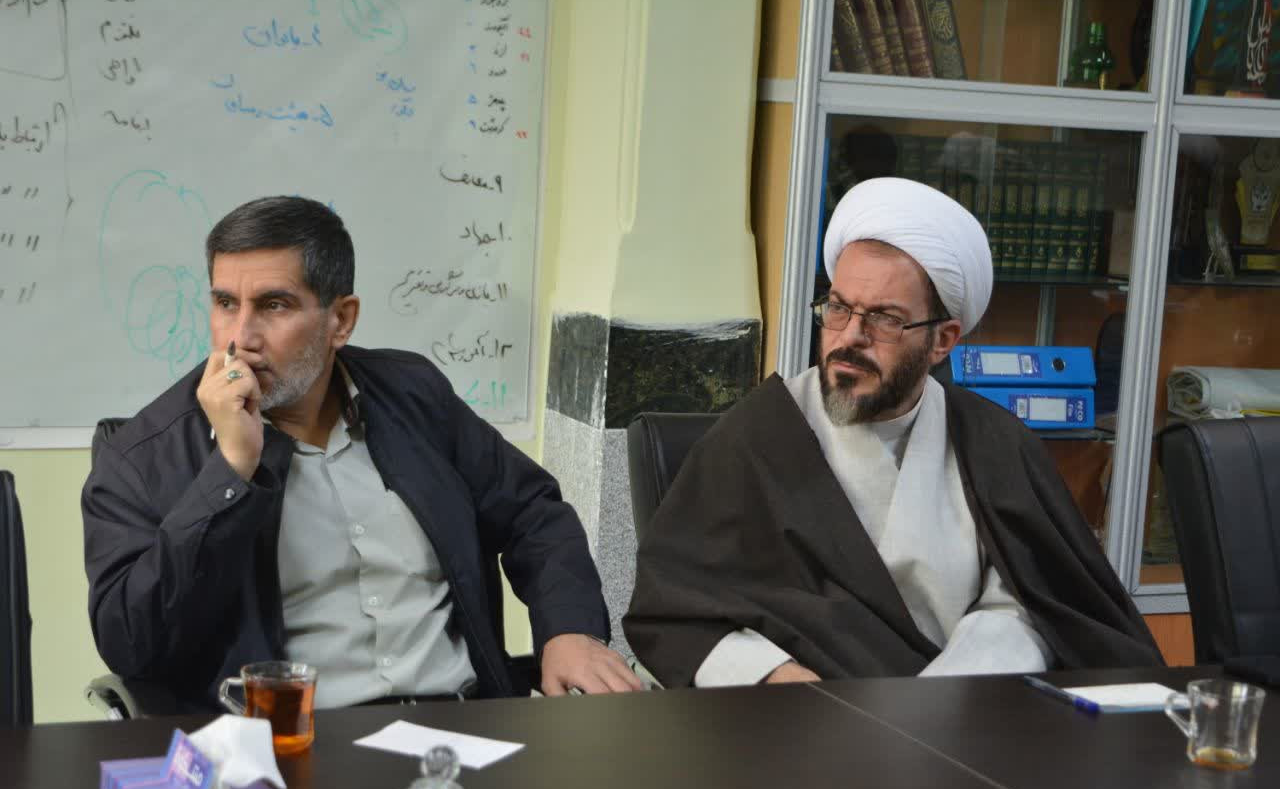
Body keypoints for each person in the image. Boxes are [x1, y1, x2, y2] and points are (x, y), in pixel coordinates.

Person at [83, 195, 641, 710]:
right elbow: (131, 644)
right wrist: (230, 471)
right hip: (289, 745)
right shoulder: (142, 457)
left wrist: (569, 630)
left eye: (274, 305)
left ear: (341, 320)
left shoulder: (413, 395)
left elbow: (531, 512)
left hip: (462, 726)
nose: (241, 337)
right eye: (226, 303)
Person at [624, 177, 1163, 688]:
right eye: (839, 308)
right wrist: (774, 676)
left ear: (943, 340)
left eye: (884, 319)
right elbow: (674, 609)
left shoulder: (994, 443)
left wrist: (948, 692)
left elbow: (1038, 604)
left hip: (967, 720)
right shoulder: (757, 438)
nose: (849, 338)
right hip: (805, 723)